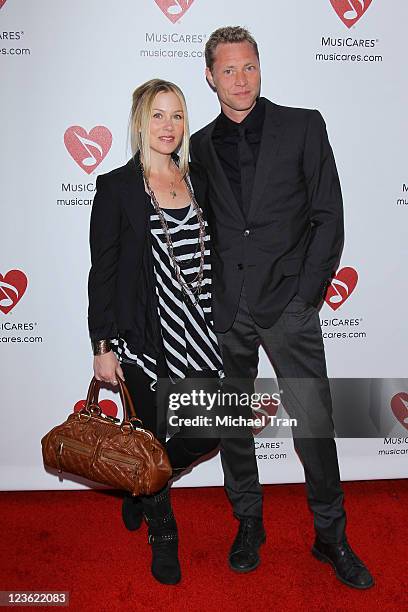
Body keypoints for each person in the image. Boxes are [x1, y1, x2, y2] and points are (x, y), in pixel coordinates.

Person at [190, 26, 374, 588]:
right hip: (227, 310)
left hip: (289, 304)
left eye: (248, 67)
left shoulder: (303, 125)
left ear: (260, 68)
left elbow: (329, 214)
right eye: (228, 70)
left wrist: (306, 295)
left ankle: (331, 536)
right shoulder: (198, 145)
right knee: (232, 425)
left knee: (314, 424)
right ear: (210, 76)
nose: (240, 79)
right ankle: (249, 523)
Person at [87, 79, 223, 585]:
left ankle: (137, 484)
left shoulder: (199, 180)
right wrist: (102, 346)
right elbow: (101, 272)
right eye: (159, 116)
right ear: (141, 122)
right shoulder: (117, 188)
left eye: (178, 116)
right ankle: (163, 534)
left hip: (200, 334)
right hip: (145, 339)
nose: (169, 127)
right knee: (151, 434)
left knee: (208, 431)